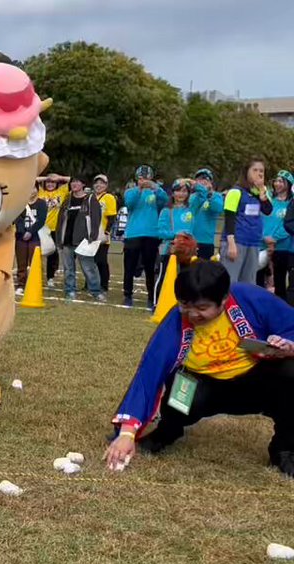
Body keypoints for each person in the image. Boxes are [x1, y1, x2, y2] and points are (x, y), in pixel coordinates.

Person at [104, 261, 294, 476]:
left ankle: (285, 449)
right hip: (200, 385)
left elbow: (291, 326)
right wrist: (127, 434)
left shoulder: (252, 298)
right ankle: (167, 432)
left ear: (223, 300)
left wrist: (288, 347)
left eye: (202, 308)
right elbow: (149, 373)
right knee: (181, 389)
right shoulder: (176, 321)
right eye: (185, 305)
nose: (192, 315)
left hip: (253, 383)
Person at [122, 165, 169, 309]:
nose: (144, 180)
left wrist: (155, 188)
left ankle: (151, 296)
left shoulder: (156, 193)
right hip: (133, 233)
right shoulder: (131, 191)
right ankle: (128, 295)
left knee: (150, 267)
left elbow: (165, 201)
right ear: (137, 179)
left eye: (147, 178)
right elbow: (129, 204)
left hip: (151, 233)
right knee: (129, 267)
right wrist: (139, 189)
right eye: (141, 178)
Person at [221, 157, 273, 284]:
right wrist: (231, 243)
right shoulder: (235, 192)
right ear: (247, 172)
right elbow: (229, 218)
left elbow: (268, 210)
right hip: (237, 241)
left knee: (249, 283)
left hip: (253, 242)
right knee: (231, 282)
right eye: (255, 170)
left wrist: (262, 194)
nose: (259, 174)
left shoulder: (260, 193)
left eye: (262, 171)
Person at [55, 178, 105, 301]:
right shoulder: (67, 200)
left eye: (78, 181)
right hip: (67, 240)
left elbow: (96, 218)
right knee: (68, 268)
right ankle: (70, 290)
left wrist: (92, 236)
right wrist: (59, 239)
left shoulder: (90, 199)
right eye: (72, 182)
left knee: (89, 267)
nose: (74, 184)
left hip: (84, 241)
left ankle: (95, 291)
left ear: (83, 184)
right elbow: (60, 220)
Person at [156, 178, 195, 294]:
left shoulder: (191, 209)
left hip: (187, 251)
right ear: (173, 193)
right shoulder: (166, 211)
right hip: (169, 250)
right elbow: (160, 232)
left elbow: (202, 194)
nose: (181, 194)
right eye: (178, 191)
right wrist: (176, 234)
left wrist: (191, 182)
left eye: (184, 191)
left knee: (184, 279)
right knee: (164, 277)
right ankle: (156, 302)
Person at [36, 173, 71, 285]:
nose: (50, 184)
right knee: (37, 252)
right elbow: (33, 180)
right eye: (48, 182)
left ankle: (50, 277)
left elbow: (71, 180)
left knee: (53, 253)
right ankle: (36, 275)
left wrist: (59, 178)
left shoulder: (61, 192)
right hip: (40, 228)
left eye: (53, 182)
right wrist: (46, 178)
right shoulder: (41, 192)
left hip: (55, 228)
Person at [264, 170, 292, 303]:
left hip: (285, 247)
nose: (277, 184)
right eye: (276, 181)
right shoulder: (270, 201)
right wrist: (265, 237)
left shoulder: (291, 203)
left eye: (281, 181)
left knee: (287, 281)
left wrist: (275, 238)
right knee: (276, 281)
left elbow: (289, 224)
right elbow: (263, 220)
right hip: (266, 246)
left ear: (288, 184)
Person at [13, 192, 49, 293]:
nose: (32, 190)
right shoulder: (20, 202)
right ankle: (21, 284)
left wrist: (30, 231)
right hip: (21, 236)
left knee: (35, 261)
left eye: (34, 187)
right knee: (21, 262)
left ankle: (35, 283)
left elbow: (41, 220)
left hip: (35, 236)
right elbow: (17, 219)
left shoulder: (41, 203)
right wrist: (23, 232)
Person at [188, 168, 223, 261]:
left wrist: (209, 194)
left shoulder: (216, 196)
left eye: (206, 179)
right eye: (199, 179)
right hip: (190, 240)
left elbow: (218, 208)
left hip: (206, 242)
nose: (203, 181)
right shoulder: (192, 197)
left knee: (204, 272)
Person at [92, 175, 116, 294]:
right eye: (97, 183)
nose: (98, 185)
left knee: (101, 260)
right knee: (90, 260)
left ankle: (104, 285)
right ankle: (90, 283)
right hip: (90, 234)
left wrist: (107, 231)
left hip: (102, 234)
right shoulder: (90, 197)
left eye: (102, 183)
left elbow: (112, 216)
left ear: (106, 185)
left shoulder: (109, 197)